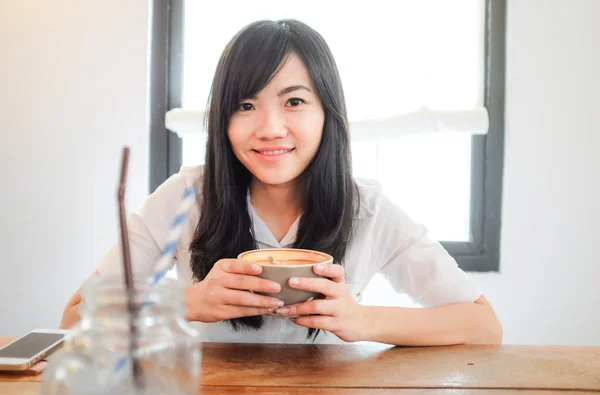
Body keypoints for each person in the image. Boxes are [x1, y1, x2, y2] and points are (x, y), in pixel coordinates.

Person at [59, 19, 503, 345]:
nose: (270, 128)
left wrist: (361, 320)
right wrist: (188, 302)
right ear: (222, 119)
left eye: (294, 101)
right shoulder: (185, 196)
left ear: (327, 112)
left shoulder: (365, 207)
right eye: (246, 106)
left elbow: (483, 326)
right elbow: (74, 317)